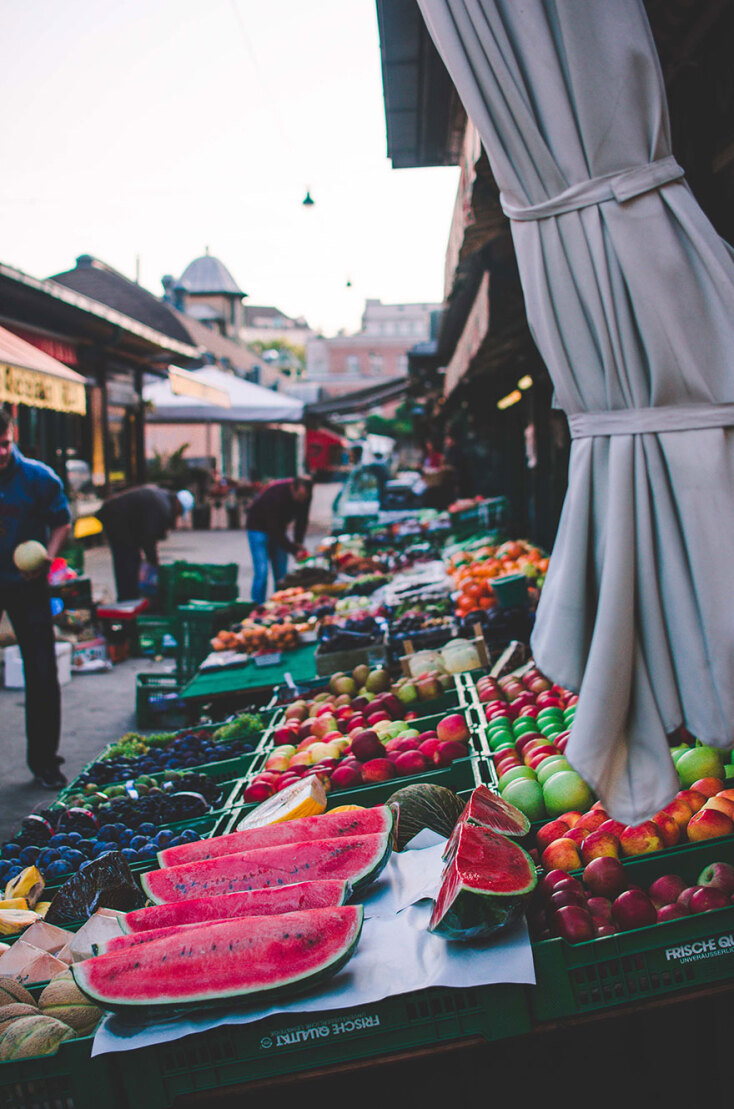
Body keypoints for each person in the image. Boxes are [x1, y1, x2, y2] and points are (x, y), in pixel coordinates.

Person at [0, 410, 71, 788]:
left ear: (13, 436)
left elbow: (62, 520)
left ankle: (45, 761)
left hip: (29, 584)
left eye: (5, 444)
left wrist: (48, 555)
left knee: (42, 671)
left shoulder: (38, 477)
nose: (0, 452)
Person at [95, 485, 194, 601]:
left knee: (131, 558)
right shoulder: (163, 507)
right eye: (180, 512)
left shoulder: (164, 499)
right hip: (116, 517)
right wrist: (154, 563)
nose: (178, 516)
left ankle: (129, 597)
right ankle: (127, 600)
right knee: (127, 559)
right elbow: (149, 538)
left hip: (120, 518)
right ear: (178, 504)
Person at [245, 476, 312, 604]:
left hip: (278, 529)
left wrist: (298, 543)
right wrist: (293, 549)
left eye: (304, 497)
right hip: (258, 527)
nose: (301, 500)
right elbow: (274, 528)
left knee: (282, 573)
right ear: (293, 488)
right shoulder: (276, 494)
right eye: (299, 496)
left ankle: (280, 603)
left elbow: (302, 520)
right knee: (262, 571)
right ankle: (256, 606)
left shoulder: (306, 496)